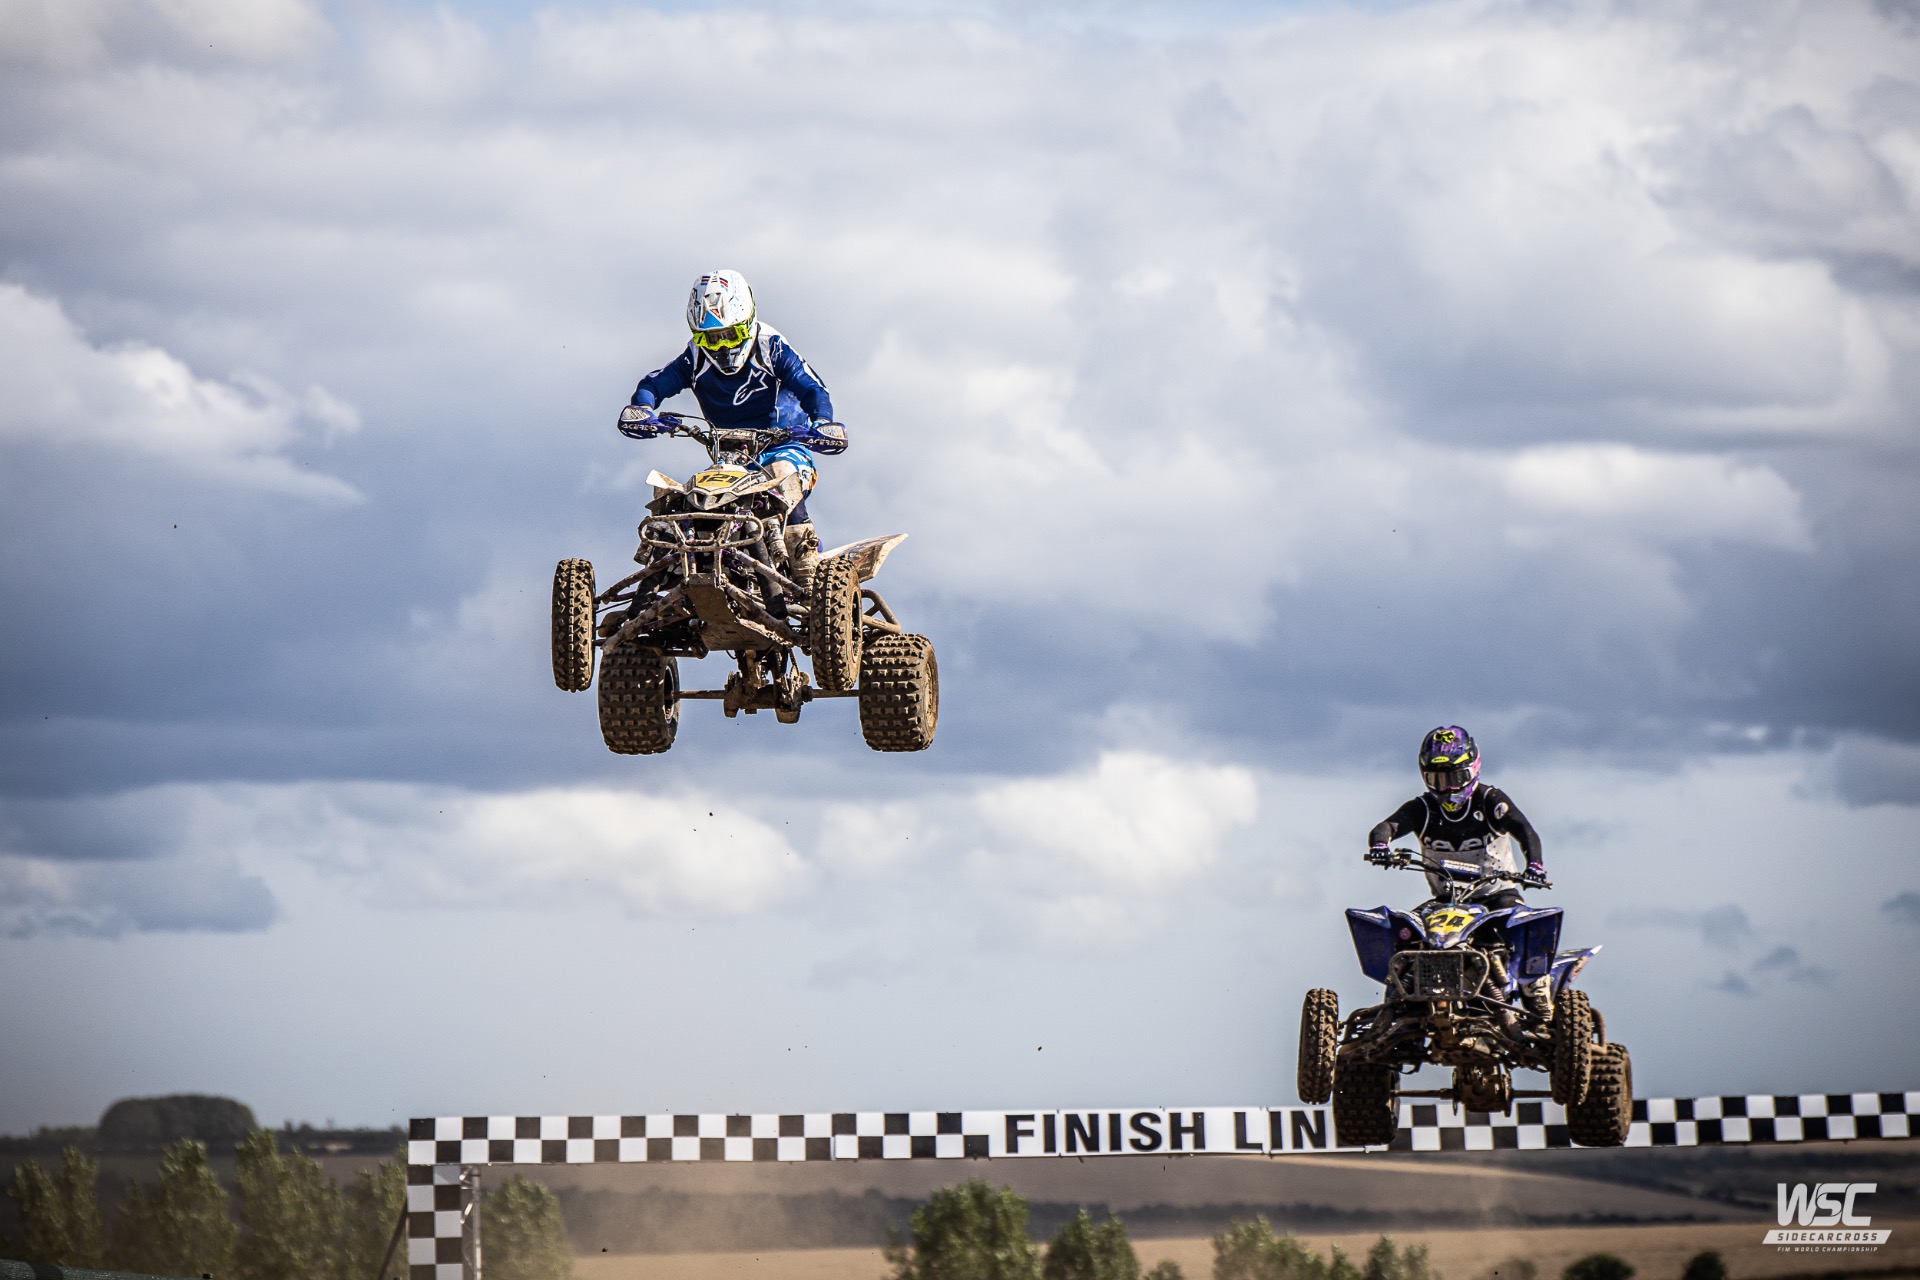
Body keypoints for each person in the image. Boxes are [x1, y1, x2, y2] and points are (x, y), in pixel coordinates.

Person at [618, 269, 847, 593]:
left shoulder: (772, 347)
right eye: (711, 338)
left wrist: (822, 422)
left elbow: (813, 389)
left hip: (784, 446)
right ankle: (665, 575)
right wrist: (643, 408)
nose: (722, 346)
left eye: (731, 334)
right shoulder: (695, 357)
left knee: (783, 477)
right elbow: (653, 384)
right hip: (729, 458)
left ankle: (807, 575)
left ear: (748, 321)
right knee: (680, 497)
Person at [1366, 725, 1555, 1019]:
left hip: (1496, 895)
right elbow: (1387, 826)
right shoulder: (1423, 809)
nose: (1447, 788)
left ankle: (1537, 997)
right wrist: (1380, 845)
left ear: (1472, 770)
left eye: (1454, 778)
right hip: (1448, 901)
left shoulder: (1491, 801)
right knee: (1405, 933)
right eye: (1437, 779)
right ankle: (1396, 1006)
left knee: (1523, 927)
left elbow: (1525, 831)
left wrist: (1535, 865)